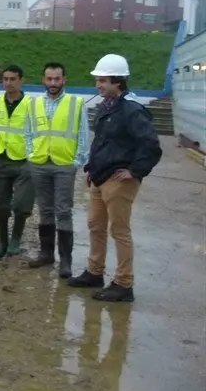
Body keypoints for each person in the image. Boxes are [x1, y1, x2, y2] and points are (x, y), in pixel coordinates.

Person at [68, 54, 162, 302]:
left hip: (119, 181)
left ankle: (123, 284)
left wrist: (135, 171)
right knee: (95, 226)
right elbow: (102, 142)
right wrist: (91, 166)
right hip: (100, 177)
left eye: (103, 80)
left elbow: (150, 145)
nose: (98, 85)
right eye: (98, 80)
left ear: (117, 81)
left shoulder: (132, 111)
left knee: (119, 231)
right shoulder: (106, 107)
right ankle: (94, 272)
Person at [25, 63, 89, 278]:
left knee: (63, 210)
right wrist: (30, 154)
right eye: (49, 79)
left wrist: (77, 161)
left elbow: (83, 134)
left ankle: (66, 261)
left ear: (64, 80)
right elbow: (28, 131)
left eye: (57, 79)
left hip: (64, 164)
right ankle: (46, 253)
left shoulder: (76, 103)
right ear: (44, 80)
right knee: (44, 209)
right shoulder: (34, 104)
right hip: (40, 163)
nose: (53, 83)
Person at [0, 65, 34, 260]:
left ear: (21, 80)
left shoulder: (32, 104)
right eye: (5, 79)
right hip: (0, 160)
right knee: (0, 207)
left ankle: (15, 240)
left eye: (12, 79)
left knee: (21, 205)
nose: (8, 83)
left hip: (24, 162)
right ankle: (2, 242)